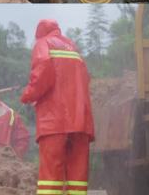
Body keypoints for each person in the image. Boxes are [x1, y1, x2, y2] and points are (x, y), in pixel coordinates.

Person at [20, 19, 94, 195]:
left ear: (40, 33)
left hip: (54, 121)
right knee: (78, 177)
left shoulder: (43, 44)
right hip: (81, 121)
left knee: (50, 176)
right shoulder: (73, 47)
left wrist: (27, 96)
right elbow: (85, 80)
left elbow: (42, 76)